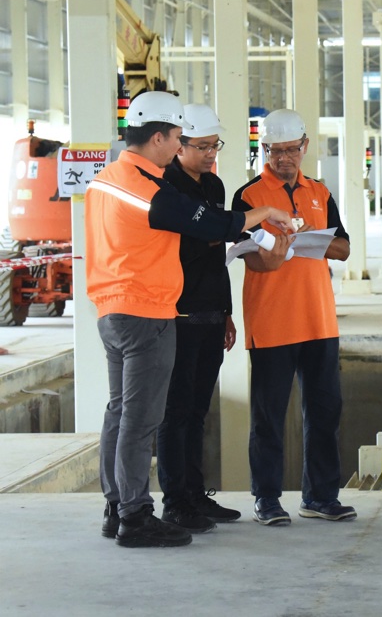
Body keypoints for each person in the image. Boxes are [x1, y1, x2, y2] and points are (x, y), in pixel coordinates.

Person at [87, 91, 294, 548]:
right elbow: (208, 224)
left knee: (121, 411)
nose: (183, 146)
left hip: (113, 309)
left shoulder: (106, 179)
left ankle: (116, 508)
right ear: (160, 138)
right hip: (146, 312)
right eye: (180, 138)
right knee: (142, 419)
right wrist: (264, 212)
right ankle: (135, 516)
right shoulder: (145, 188)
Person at [231, 108, 356, 526]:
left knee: (325, 411)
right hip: (272, 322)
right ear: (263, 149)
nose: (283, 158)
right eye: (274, 151)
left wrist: (310, 240)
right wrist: (279, 252)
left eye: (290, 150)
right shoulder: (249, 197)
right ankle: (266, 499)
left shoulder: (320, 192)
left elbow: (343, 248)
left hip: (319, 320)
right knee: (268, 416)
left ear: (304, 146)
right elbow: (252, 260)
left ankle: (321, 496)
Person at [155, 103, 242, 534]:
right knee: (176, 412)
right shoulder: (167, 187)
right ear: (179, 144)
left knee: (198, 410)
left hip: (210, 312)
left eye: (215, 146)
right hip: (179, 314)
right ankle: (174, 502)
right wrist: (213, 234)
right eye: (203, 146)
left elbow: (216, 251)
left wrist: (226, 312)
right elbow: (183, 249)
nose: (211, 154)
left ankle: (195, 494)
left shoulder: (214, 185)